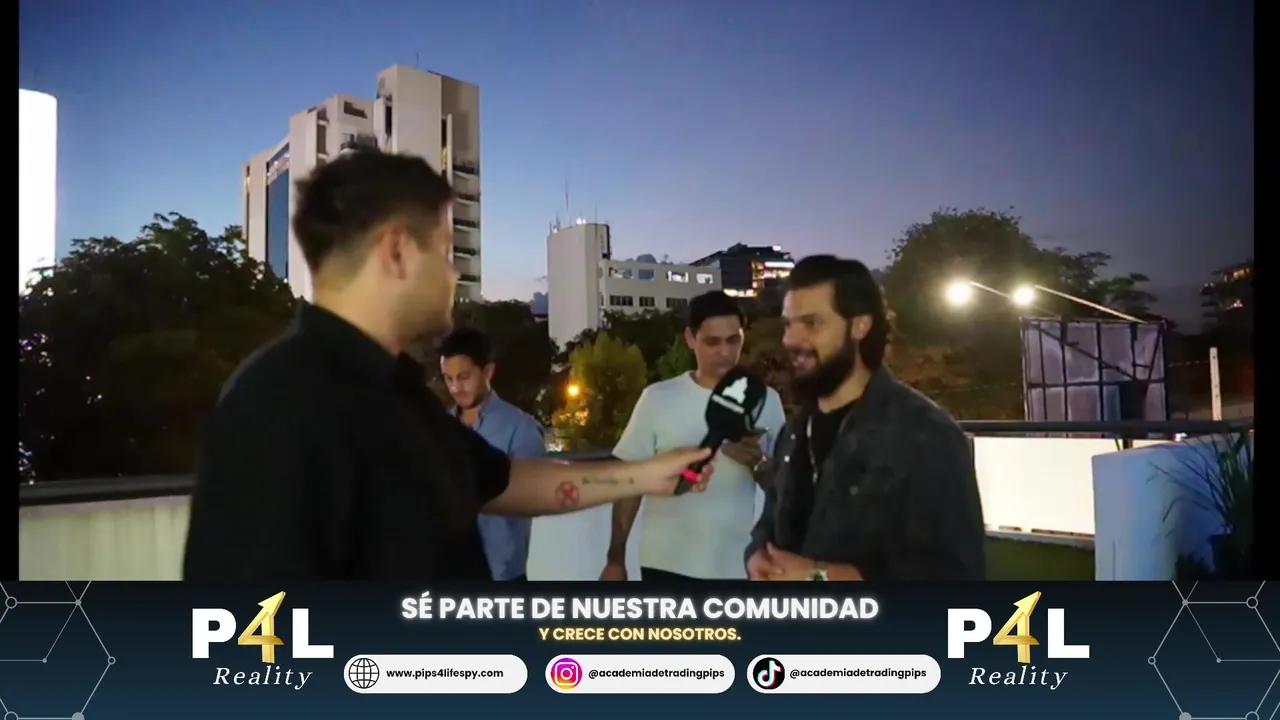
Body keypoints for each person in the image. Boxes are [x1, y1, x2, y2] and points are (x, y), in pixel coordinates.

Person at [182, 149, 712, 581]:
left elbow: (503, 482)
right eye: (444, 251)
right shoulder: (275, 405)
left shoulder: (400, 394)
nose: (453, 273)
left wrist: (644, 475)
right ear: (396, 251)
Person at [745, 255, 985, 581]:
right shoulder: (794, 433)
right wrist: (756, 555)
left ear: (860, 326)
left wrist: (822, 576)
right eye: (788, 325)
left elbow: (956, 572)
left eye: (812, 324)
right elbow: (768, 524)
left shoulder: (925, 434)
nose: (792, 340)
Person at [602, 290, 786, 581]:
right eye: (712, 342)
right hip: (665, 564)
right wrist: (615, 560)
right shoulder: (658, 398)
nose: (724, 352)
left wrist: (758, 463)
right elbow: (629, 483)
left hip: (737, 565)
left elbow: (786, 488)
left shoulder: (766, 400)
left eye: (733, 340)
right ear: (690, 338)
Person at [439, 326, 544, 582]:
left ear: (488, 371)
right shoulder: (438, 426)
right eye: (448, 378)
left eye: (464, 377)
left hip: (502, 577)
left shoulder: (521, 428)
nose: (455, 387)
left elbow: (533, 498)